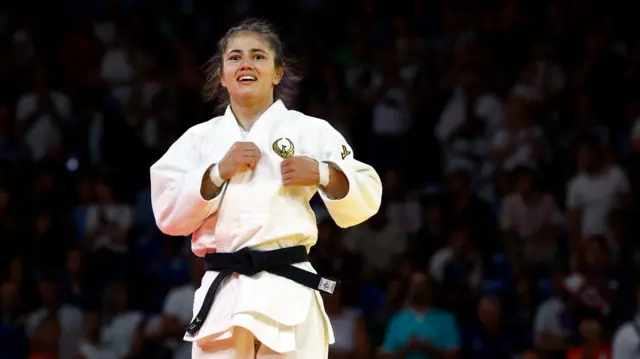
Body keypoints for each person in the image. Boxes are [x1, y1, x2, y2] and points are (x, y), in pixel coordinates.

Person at [149, 19, 382, 359]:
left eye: (258, 56)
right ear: (222, 76)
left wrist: (322, 173)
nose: (245, 64)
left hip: (288, 291)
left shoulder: (309, 132)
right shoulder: (199, 141)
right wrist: (215, 173)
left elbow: (367, 193)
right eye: (235, 58)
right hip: (224, 297)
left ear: (277, 73)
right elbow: (168, 216)